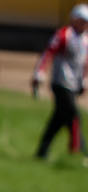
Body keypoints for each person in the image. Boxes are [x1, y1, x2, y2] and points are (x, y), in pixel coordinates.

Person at [35, 3, 86, 160]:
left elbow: (85, 63)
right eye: (82, 21)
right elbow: (48, 53)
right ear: (74, 19)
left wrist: (84, 81)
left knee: (59, 118)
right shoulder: (64, 35)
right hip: (61, 82)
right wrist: (39, 73)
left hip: (74, 84)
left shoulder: (85, 40)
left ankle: (42, 150)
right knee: (74, 116)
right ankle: (79, 151)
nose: (84, 25)